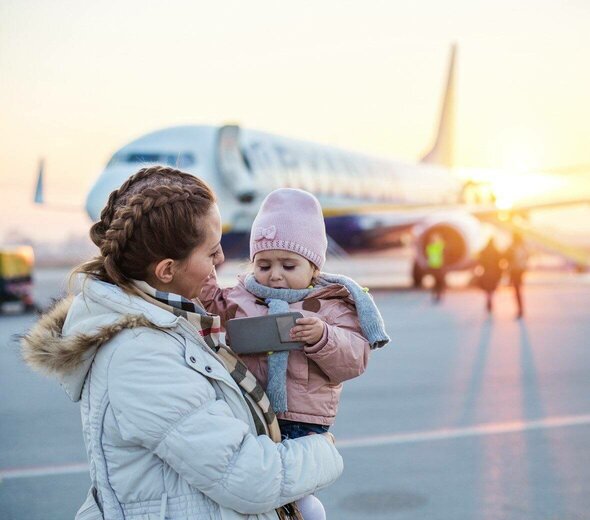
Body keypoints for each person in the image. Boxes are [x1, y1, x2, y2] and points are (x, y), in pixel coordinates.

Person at [21, 167, 343, 520]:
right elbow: (249, 478)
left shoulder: (174, 321)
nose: (221, 261)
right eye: (212, 252)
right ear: (166, 270)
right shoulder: (140, 357)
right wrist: (323, 450)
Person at [201, 188, 390, 520]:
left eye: (288, 265)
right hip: (251, 410)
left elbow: (354, 359)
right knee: (255, 488)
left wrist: (323, 336)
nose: (274, 274)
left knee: (296, 494)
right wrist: (203, 264)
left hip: (304, 419)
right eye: (263, 264)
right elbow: (209, 302)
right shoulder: (241, 296)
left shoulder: (331, 304)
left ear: (313, 267)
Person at [476, 238, 504, 314]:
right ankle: (490, 299)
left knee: (487, 289)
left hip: (486, 272)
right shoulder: (496, 251)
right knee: (491, 289)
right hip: (494, 273)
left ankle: (488, 300)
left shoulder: (484, 250)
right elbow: (501, 260)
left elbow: (479, 259)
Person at [505, 232, 528, 319]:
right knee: (518, 290)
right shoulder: (523, 247)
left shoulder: (513, 248)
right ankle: (520, 308)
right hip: (520, 270)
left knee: (516, 291)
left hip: (515, 271)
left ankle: (520, 309)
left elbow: (508, 257)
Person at [425, 233, 446, 303]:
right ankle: (438, 295)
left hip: (433, 267)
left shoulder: (430, 247)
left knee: (436, 282)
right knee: (439, 282)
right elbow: (443, 246)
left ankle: (436, 295)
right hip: (438, 267)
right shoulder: (438, 246)